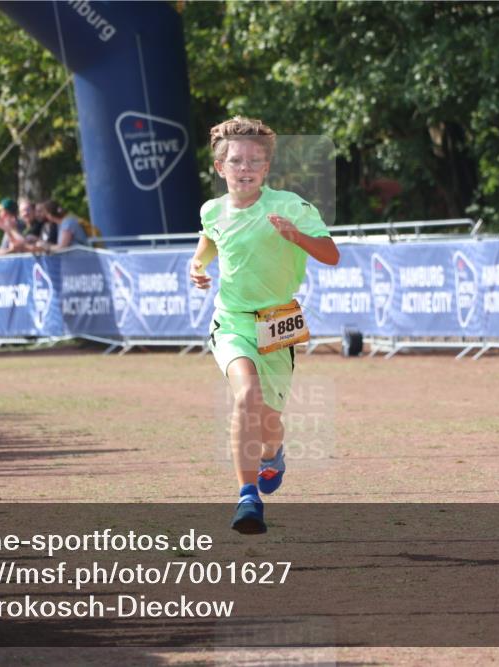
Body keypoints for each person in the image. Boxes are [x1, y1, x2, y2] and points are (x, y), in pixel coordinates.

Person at [189, 116, 340, 534]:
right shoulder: (212, 210)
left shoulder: (290, 205)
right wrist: (197, 266)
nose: (245, 168)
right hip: (232, 320)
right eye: (236, 160)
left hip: (278, 321)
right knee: (247, 396)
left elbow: (331, 255)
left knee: (270, 419)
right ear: (220, 168)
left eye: (255, 161)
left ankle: (273, 454)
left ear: (266, 168)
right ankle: (246, 497)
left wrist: (297, 237)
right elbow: (209, 241)